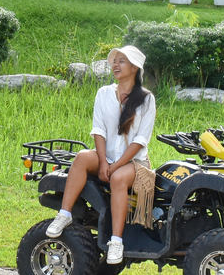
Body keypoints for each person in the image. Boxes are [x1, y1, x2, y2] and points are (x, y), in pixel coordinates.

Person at [46, 45, 157, 264]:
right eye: (115, 61)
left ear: (134, 68)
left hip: (134, 162)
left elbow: (140, 141)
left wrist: (114, 166)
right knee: (82, 157)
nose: (116, 65)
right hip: (106, 157)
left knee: (118, 178)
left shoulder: (146, 98)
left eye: (122, 61)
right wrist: (104, 161)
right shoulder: (104, 93)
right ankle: (64, 214)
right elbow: (98, 130)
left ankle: (116, 241)